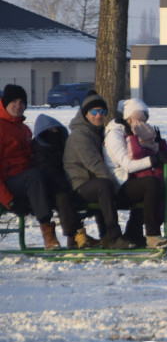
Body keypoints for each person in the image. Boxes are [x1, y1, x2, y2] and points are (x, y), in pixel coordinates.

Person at [106, 98, 167, 251]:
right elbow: (129, 164)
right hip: (121, 183)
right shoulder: (116, 134)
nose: (142, 123)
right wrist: (156, 158)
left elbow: (151, 153)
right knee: (152, 183)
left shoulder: (139, 132)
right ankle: (152, 235)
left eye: (145, 119)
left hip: (140, 178)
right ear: (128, 118)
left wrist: (164, 149)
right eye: (138, 118)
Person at [63, 91, 139, 249]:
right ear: (85, 114)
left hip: (94, 182)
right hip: (79, 185)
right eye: (94, 112)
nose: (99, 115)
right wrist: (117, 188)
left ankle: (125, 234)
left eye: (102, 112)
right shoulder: (80, 136)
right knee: (104, 186)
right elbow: (95, 165)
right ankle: (114, 236)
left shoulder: (97, 132)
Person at [0, 84, 63, 249]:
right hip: (7, 183)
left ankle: (75, 232)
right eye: (13, 101)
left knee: (51, 175)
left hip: (26, 179)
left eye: (22, 102)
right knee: (34, 176)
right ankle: (47, 231)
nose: (18, 106)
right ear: (5, 103)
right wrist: (10, 201)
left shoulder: (25, 129)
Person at [31, 113, 101, 249]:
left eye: (57, 130)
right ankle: (75, 234)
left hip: (66, 184)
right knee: (63, 198)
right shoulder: (39, 149)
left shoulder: (62, 146)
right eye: (51, 131)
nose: (55, 134)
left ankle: (79, 236)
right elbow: (47, 171)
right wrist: (65, 185)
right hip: (46, 189)